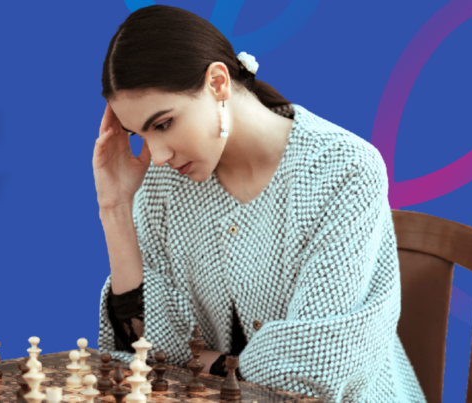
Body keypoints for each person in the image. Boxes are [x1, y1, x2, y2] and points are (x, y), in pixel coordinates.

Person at [92, 5, 426, 402]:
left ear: (218, 83)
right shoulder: (165, 182)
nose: (158, 154)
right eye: (140, 134)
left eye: (163, 124)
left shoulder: (344, 170)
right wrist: (114, 207)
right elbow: (149, 355)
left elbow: (311, 370)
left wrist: (213, 365)